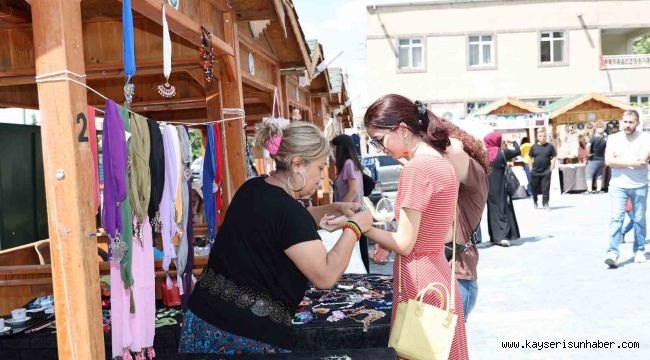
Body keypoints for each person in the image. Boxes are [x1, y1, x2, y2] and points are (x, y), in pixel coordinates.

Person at [179, 121, 372, 354]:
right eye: (320, 168)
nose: (322, 177)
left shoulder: (253, 188)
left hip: (202, 319)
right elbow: (325, 275)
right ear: (297, 164)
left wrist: (335, 208)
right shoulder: (288, 212)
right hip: (244, 337)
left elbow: (286, 223)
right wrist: (354, 228)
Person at [359, 94, 469, 359]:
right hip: (438, 272)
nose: (379, 148)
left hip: (418, 278)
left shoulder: (416, 170)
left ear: (403, 130)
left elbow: (405, 244)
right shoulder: (441, 162)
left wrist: (363, 227)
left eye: (379, 139)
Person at [604, 110, 650, 267]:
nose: (627, 125)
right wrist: (632, 162)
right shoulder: (613, 138)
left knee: (639, 220)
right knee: (616, 219)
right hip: (618, 186)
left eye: (631, 122)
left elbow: (643, 160)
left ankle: (639, 250)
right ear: (620, 122)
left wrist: (620, 160)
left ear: (637, 123)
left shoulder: (645, 138)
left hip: (639, 185)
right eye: (625, 122)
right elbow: (609, 161)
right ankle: (612, 252)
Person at [331, 134, 370, 273]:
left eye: (334, 148)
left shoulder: (348, 164)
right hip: (356, 213)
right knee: (359, 252)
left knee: (356, 253)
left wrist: (340, 209)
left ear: (340, 148)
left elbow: (353, 190)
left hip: (352, 213)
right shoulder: (351, 163)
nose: (333, 151)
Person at [484, 132, 520, 247]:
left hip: (488, 187)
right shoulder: (502, 152)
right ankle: (503, 236)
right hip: (501, 186)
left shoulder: (483, 154)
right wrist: (513, 142)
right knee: (502, 209)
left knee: (492, 210)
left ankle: (494, 237)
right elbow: (517, 151)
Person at [529, 131, 557, 210]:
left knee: (546, 188)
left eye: (544, 136)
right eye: (540, 136)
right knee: (534, 187)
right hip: (535, 171)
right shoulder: (533, 147)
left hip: (546, 171)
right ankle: (535, 201)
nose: (542, 137)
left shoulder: (550, 146)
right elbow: (530, 158)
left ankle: (545, 203)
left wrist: (552, 167)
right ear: (537, 137)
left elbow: (554, 156)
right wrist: (530, 168)